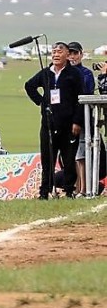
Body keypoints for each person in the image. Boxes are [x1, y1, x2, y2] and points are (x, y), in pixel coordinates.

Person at [24, 41, 84, 199]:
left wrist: (77, 121)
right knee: (47, 159)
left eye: (60, 52)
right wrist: (41, 102)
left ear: (67, 55)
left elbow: (81, 98)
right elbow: (29, 86)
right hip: (49, 124)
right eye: (54, 52)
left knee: (69, 160)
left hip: (69, 125)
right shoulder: (46, 73)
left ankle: (69, 190)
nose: (56, 54)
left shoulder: (74, 74)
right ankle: (45, 191)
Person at [67, 41, 95, 197]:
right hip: (66, 119)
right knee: (71, 155)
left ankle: (83, 189)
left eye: (75, 53)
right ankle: (74, 188)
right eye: (69, 53)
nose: (72, 56)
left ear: (81, 54)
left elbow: (87, 94)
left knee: (82, 154)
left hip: (82, 119)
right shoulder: (63, 72)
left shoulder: (86, 73)